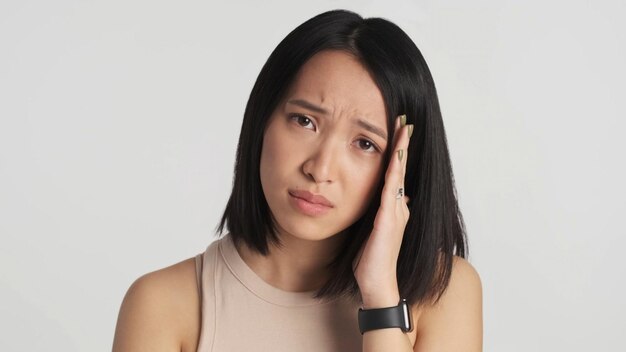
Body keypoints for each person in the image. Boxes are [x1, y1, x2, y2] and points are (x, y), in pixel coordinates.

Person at [112, 9, 482, 352]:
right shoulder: (162, 305)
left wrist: (381, 296)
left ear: (402, 164)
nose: (320, 169)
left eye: (365, 143)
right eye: (304, 121)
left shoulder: (442, 292)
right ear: (262, 119)